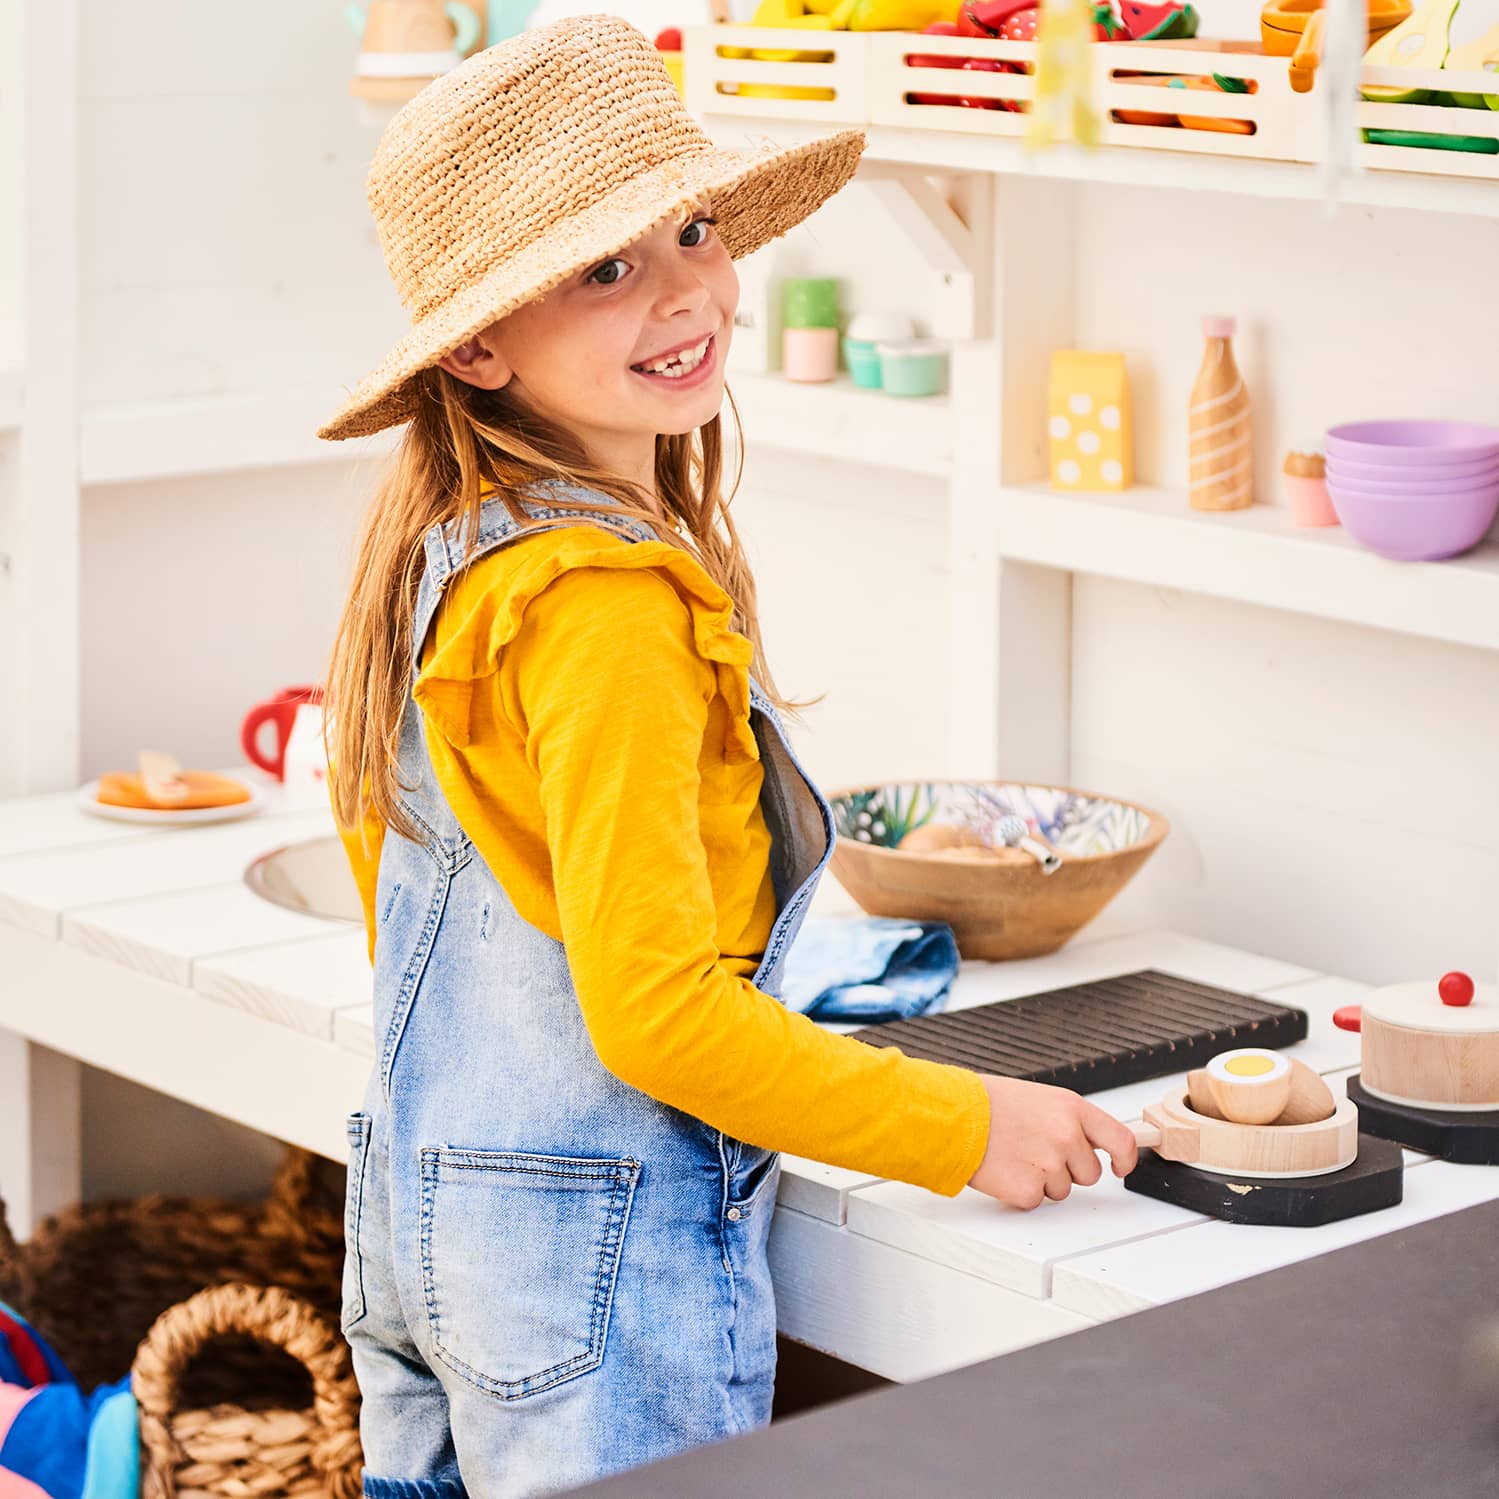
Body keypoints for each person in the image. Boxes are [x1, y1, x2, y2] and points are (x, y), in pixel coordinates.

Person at [318, 14, 1138, 1498]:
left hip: (426, 1230)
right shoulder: (606, 606)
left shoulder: (451, 561)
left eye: (690, 229)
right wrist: (964, 1124)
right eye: (605, 266)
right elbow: (653, 1025)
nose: (686, 288)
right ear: (482, 345)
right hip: (589, 1269)